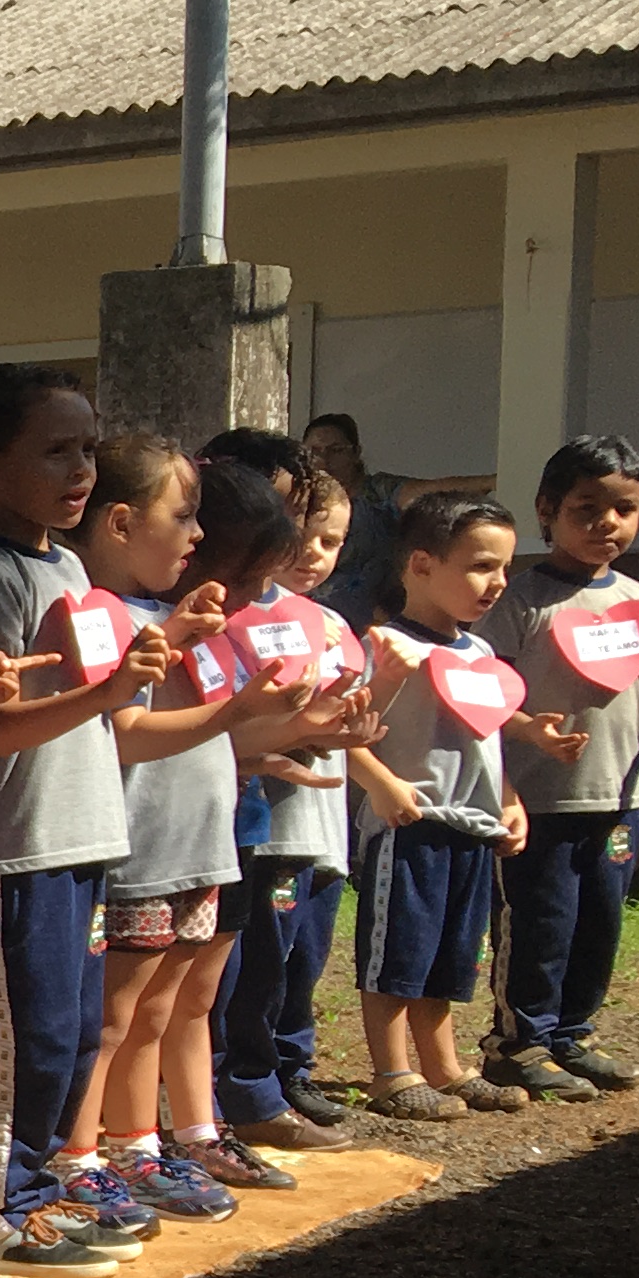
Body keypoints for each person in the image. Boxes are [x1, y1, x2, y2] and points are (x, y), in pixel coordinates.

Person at [60, 452, 357, 1220]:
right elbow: (127, 732)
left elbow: (213, 739)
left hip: (201, 844)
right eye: (183, 522)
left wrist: (305, 728)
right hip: (141, 847)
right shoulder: (111, 613)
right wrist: (235, 711)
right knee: (115, 1016)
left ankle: (147, 1143)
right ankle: (80, 1155)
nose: (258, 598)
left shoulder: (178, 621)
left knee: (165, 1010)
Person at [0, 365, 175, 1271]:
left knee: (72, 1029)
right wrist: (108, 688)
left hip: (82, 834)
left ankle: (38, 1183)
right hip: (16, 846)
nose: (80, 471)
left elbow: (96, 689)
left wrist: (152, 656)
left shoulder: (68, 564)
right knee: (19, 1033)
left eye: (87, 450)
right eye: (55, 452)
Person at [487, 435, 639, 1100]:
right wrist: (523, 747)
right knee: (541, 922)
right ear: (547, 510)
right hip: (541, 799)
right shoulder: (519, 600)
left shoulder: (637, 599)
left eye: (623, 509)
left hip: (618, 793)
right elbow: (486, 698)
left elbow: (633, 688)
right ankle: (519, 1043)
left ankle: (574, 1035)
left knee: (600, 920)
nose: (606, 523)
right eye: (586, 508)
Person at [343, 489, 535, 1119]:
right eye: (481, 566)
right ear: (421, 564)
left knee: (452, 953)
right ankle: (392, 1073)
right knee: (399, 951)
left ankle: (446, 1068)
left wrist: (508, 801)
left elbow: (487, 738)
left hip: (471, 828)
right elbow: (343, 729)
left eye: (504, 568)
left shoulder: (480, 654)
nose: (497, 582)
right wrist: (379, 783)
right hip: (409, 824)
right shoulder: (385, 646)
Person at [216, 466, 366, 1151]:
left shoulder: (330, 624)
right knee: (254, 965)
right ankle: (247, 1086)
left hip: (318, 827)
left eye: (330, 541)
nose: (312, 553)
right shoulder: (228, 613)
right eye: (303, 534)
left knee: (302, 957)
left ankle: (286, 1069)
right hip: (258, 817)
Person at [299, 411, 490, 632]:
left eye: (336, 450)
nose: (324, 460)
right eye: (314, 451)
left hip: (375, 623)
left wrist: (497, 480)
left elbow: (426, 493)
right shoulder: (296, 500)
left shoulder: (377, 492)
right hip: (310, 620)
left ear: (356, 453)